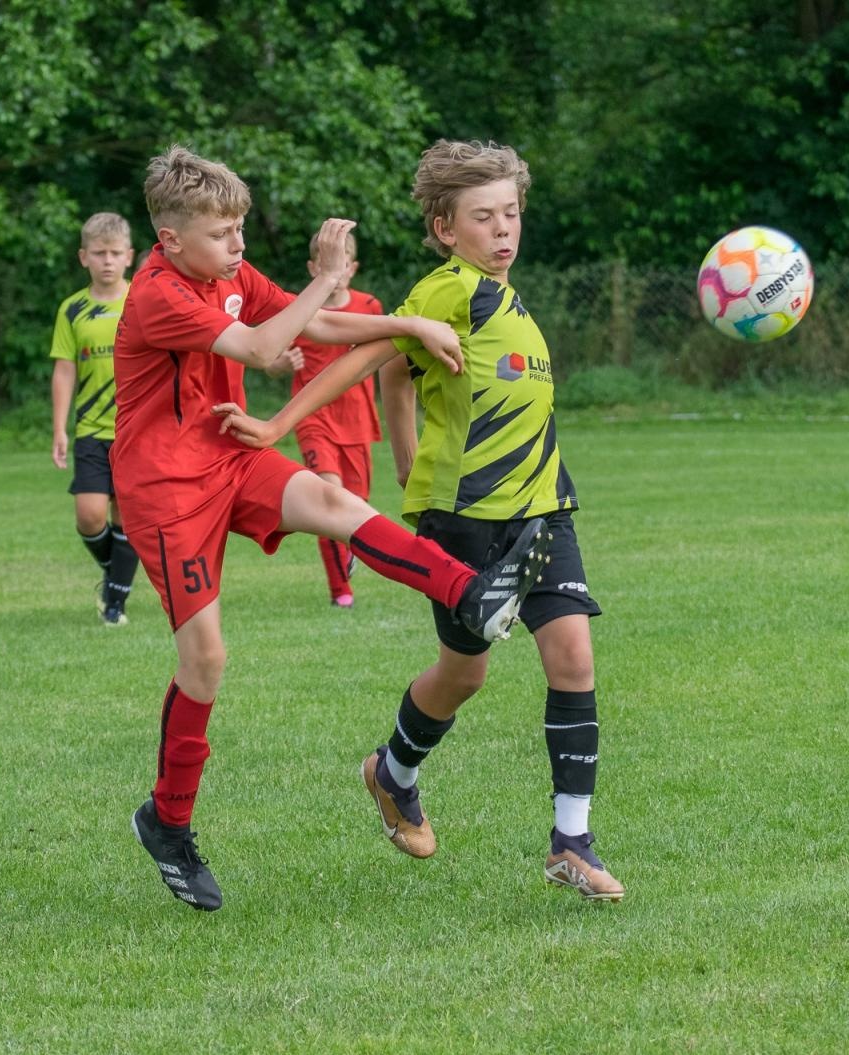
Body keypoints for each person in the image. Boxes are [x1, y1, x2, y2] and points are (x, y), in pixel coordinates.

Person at [117, 145, 551, 912]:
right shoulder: (156, 293)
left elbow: (315, 326)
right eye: (223, 236)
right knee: (207, 662)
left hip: (230, 448)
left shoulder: (223, 275)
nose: (238, 248)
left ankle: (474, 594)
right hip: (164, 489)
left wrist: (410, 321)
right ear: (171, 239)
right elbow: (262, 342)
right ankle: (168, 821)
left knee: (334, 502)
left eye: (240, 231)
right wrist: (327, 275)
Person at [215, 140, 624, 903]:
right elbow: (374, 360)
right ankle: (392, 772)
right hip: (468, 515)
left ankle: (573, 840)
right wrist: (278, 427)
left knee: (573, 659)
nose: (503, 230)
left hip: (544, 508)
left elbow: (405, 379)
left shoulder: (509, 299)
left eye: (511, 214)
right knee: (463, 673)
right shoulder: (449, 291)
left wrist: (402, 445)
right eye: (483, 217)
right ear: (445, 227)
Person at [282, 229, 385, 608]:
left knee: (354, 505)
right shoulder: (301, 309)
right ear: (313, 268)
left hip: (356, 419)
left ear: (352, 268)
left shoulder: (370, 307)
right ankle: (341, 592)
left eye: (341, 264)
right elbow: (273, 355)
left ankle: (350, 549)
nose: (335, 271)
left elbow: (385, 355)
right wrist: (281, 363)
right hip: (313, 416)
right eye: (326, 264)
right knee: (328, 497)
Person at [49, 212, 141, 625]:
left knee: (129, 517)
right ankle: (115, 574)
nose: (107, 261)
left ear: (129, 257)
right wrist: (59, 428)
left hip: (137, 431)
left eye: (115, 253)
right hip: (91, 431)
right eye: (99, 253)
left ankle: (114, 606)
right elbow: (64, 370)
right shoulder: (72, 310)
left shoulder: (144, 301)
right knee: (89, 516)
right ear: (83, 257)